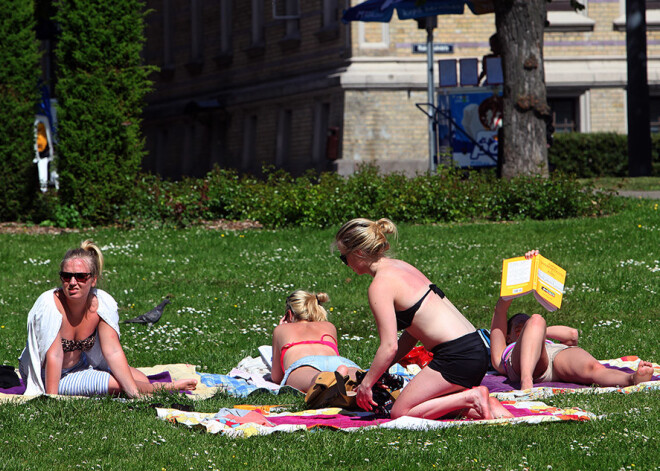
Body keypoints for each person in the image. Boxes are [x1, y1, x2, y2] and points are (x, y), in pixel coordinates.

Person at [334, 218, 511, 420]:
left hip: (456, 357)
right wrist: (377, 372)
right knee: (427, 406)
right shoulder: (401, 267)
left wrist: (366, 385)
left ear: (357, 253)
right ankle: (484, 404)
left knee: (400, 413)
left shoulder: (380, 285)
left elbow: (389, 346)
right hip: (476, 349)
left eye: (344, 257)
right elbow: (411, 333)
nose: (345, 264)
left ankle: (471, 397)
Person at [18, 240, 197, 397]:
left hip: (81, 365)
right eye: (66, 276)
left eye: (80, 276)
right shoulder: (49, 305)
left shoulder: (102, 304)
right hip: (47, 374)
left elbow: (113, 351)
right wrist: (52, 398)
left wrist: (133, 392)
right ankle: (164, 387)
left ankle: (147, 388)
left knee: (139, 377)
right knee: (116, 384)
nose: (72, 282)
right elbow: (55, 355)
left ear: (93, 280)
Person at [490, 250, 655, 391]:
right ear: (508, 337)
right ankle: (527, 382)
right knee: (536, 319)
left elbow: (571, 335)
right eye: (518, 328)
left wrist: (536, 333)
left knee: (594, 368)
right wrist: (522, 273)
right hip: (521, 365)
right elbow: (500, 310)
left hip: (553, 354)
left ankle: (632, 379)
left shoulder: (543, 336)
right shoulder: (502, 354)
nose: (524, 327)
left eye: (525, 326)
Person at [270, 290, 361, 393]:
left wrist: (283, 326)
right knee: (356, 375)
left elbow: (276, 377)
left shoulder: (281, 329)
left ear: (289, 314)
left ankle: (328, 380)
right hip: (339, 361)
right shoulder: (329, 326)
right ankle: (355, 379)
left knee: (314, 380)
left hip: (304, 364)